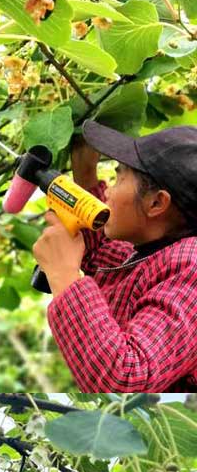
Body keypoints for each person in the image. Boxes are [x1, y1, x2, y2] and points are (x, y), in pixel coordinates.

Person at [32, 120, 197, 392]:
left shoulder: (191, 268)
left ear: (156, 203)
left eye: (119, 176)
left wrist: (64, 274)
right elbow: (101, 254)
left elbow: (125, 379)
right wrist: (84, 175)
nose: (108, 187)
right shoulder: (157, 252)